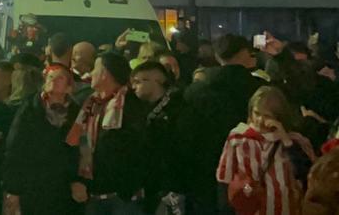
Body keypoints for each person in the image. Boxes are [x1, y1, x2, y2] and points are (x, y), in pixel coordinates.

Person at [179, 34, 264, 214]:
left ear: (217, 56)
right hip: (247, 168)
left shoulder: (196, 91)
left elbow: (185, 135)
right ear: (243, 53)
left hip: (204, 168)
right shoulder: (258, 89)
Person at [69, 52, 147, 213]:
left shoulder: (132, 106)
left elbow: (137, 149)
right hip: (92, 193)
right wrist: (76, 180)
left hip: (122, 196)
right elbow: (76, 143)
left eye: (95, 69)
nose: (91, 74)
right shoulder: (89, 104)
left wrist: (127, 187)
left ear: (105, 74)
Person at [217, 86, 315, 215]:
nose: (260, 120)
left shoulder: (295, 141)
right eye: (257, 113)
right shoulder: (238, 138)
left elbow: (307, 174)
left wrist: (286, 140)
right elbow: (225, 177)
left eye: (266, 116)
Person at [3, 63, 82, 215]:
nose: (54, 80)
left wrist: (77, 180)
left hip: (62, 187)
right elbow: (15, 148)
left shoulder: (75, 113)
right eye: (51, 76)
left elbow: (78, 149)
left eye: (60, 78)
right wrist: (13, 189)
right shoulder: (30, 108)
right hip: (32, 185)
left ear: (69, 87)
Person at [131, 60, 185, 213]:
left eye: (137, 81)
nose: (134, 87)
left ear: (156, 79)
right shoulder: (142, 109)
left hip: (171, 187)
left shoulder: (177, 109)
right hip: (152, 185)